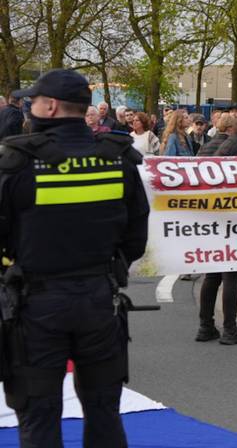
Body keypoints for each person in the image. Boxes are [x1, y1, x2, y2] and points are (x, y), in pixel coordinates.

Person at [0, 69, 149, 447]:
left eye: (31, 100)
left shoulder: (15, 162)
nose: (27, 106)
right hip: (101, 301)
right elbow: (135, 237)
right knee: (103, 410)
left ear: (49, 107)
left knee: (38, 416)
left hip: (34, 305)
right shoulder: (118, 159)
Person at [196, 115, 237, 346]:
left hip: (215, 219)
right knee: (232, 274)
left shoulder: (218, 150)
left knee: (212, 274)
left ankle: (206, 326)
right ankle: (230, 329)